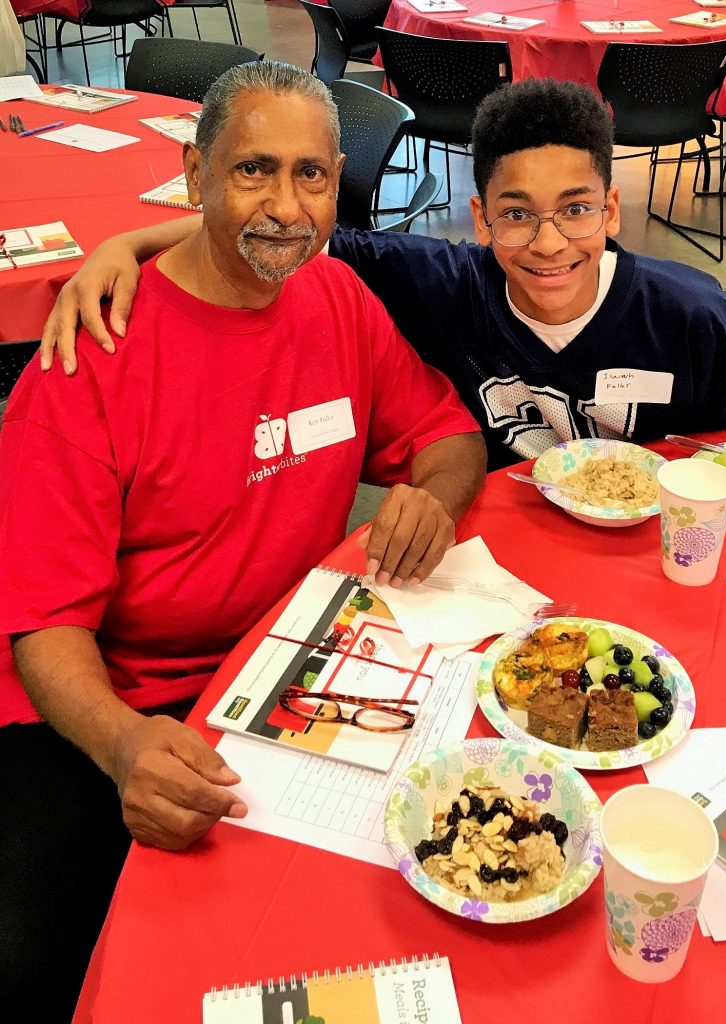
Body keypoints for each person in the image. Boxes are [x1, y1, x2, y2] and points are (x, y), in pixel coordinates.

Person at [0, 61, 485, 1021]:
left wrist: (434, 495)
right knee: (32, 968)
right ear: (195, 176)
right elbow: (43, 628)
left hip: (287, 672)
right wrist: (124, 742)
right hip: (111, 697)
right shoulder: (89, 358)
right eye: (253, 169)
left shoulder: (337, 299)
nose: (286, 206)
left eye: (311, 175)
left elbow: (448, 436)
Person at [41, 78, 726, 470]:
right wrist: (126, 245)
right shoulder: (439, 282)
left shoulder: (691, 320)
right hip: (501, 561)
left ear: (611, 209)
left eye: (576, 211)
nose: (549, 244)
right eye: (517, 216)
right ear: (480, 221)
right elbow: (287, 231)